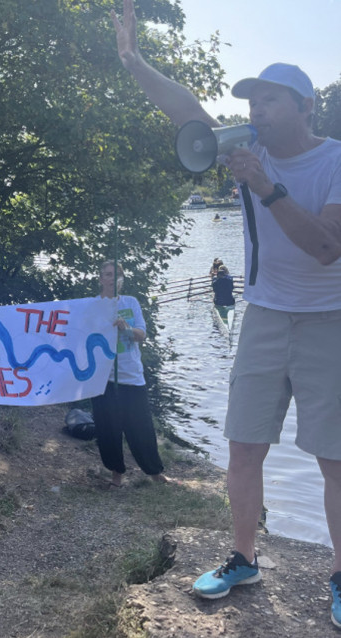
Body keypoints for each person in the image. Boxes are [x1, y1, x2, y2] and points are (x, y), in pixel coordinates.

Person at [113, 0, 341, 623]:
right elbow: (185, 108)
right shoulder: (248, 150)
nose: (255, 111)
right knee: (244, 447)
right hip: (264, 316)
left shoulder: (335, 161)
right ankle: (243, 558)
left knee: (334, 458)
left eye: (270, 100)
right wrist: (134, 59)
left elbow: (327, 249)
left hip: (330, 319)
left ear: (306, 106)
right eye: (250, 102)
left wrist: (265, 188)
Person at [90, 260, 168, 488]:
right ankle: (116, 474)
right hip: (103, 379)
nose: (112, 279)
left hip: (131, 375)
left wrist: (126, 328)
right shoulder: (92, 306)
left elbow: (141, 334)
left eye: (117, 275)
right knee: (108, 429)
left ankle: (154, 472)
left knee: (141, 426)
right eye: (107, 274)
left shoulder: (131, 303)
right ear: (100, 278)